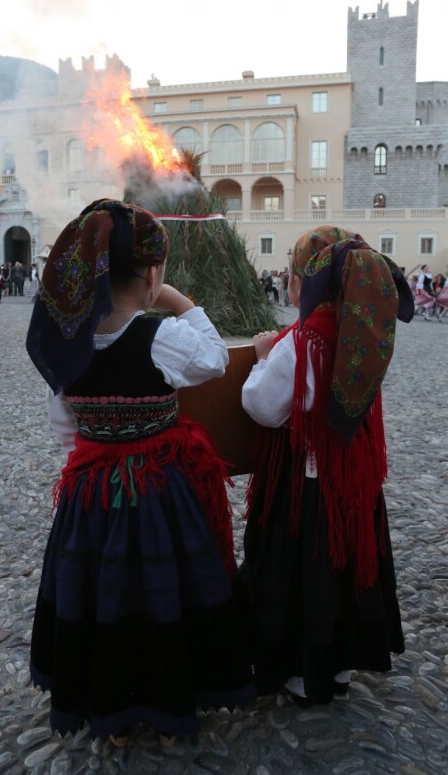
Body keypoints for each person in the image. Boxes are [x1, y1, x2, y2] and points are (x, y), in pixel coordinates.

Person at [25, 198, 255, 745]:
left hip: (91, 498)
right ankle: (169, 698)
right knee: (164, 593)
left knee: (103, 597)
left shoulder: (70, 347)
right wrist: (178, 300)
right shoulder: (161, 337)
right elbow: (215, 359)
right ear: (152, 273)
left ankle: (112, 711)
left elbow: (65, 430)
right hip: (159, 494)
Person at [238, 225, 414, 706]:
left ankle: (301, 672)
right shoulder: (366, 331)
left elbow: (263, 406)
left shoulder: (303, 341)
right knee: (348, 570)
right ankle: (338, 667)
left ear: (305, 282)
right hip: (354, 483)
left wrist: (259, 357)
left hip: (306, 488)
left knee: (304, 576)